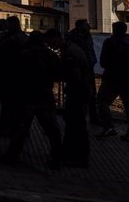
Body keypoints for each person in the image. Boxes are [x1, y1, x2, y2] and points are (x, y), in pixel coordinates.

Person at [3, 31, 63, 169]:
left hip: (26, 95)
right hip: (45, 95)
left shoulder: (23, 54)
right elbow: (59, 75)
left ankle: (12, 156)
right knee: (52, 129)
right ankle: (57, 158)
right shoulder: (51, 55)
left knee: (21, 128)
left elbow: (13, 74)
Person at [45, 28, 91, 167]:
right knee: (76, 125)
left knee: (75, 125)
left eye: (50, 42)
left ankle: (78, 157)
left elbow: (74, 77)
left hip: (77, 94)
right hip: (80, 92)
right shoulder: (71, 49)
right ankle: (75, 155)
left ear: (57, 38)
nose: (50, 46)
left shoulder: (70, 54)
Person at [96, 21, 129, 140]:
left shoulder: (109, 42)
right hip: (127, 79)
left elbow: (103, 61)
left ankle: (109, 127)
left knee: (102, 102)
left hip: (111, 78)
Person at [67, 19, 99, 124]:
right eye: (86, 25)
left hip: (88, 68)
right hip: (78, 70)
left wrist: (93, 61)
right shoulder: (73, 37)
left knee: (91, 93)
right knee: (80, 93)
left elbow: (90, 50)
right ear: (80, 26)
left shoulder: (86, 36)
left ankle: (93, 117)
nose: (89, 26)